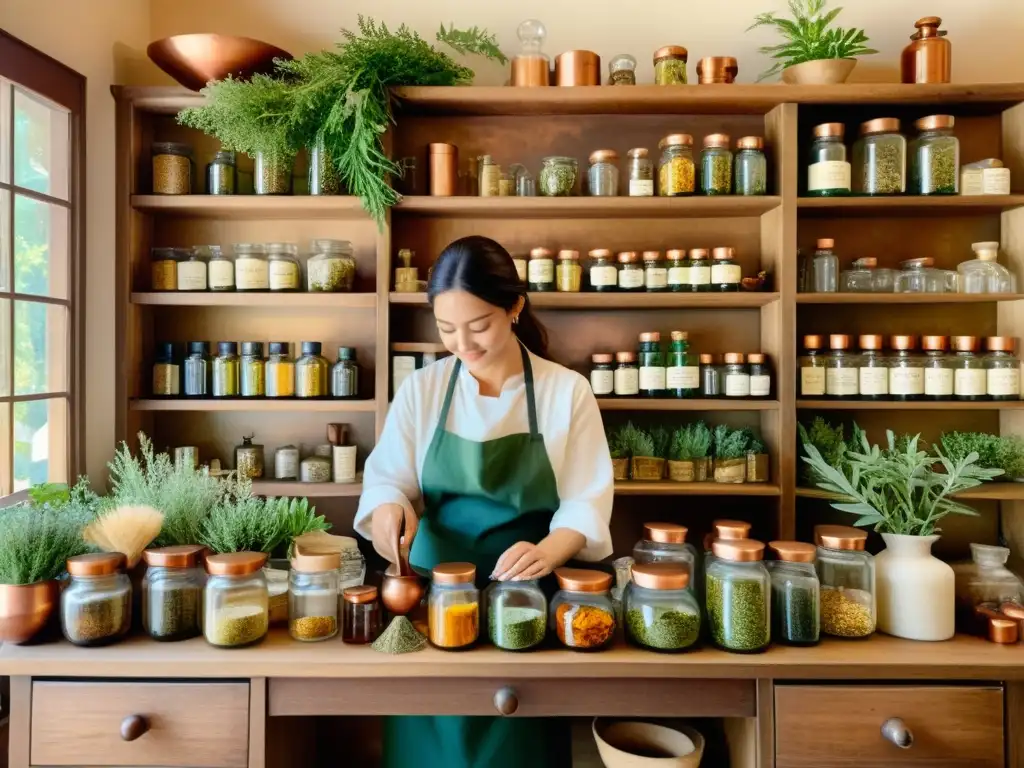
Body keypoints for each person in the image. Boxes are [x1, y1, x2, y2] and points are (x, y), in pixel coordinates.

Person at [354, 235, 614, 768]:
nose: (463, 343)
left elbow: (585, 501)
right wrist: (388, 511)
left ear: (515, 307)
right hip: (431, 608)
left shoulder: (567, 392)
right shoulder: (423, 390)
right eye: (447, 329)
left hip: (523, 604)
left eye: (479, 326)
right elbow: (388, 480)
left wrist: (552, 551)